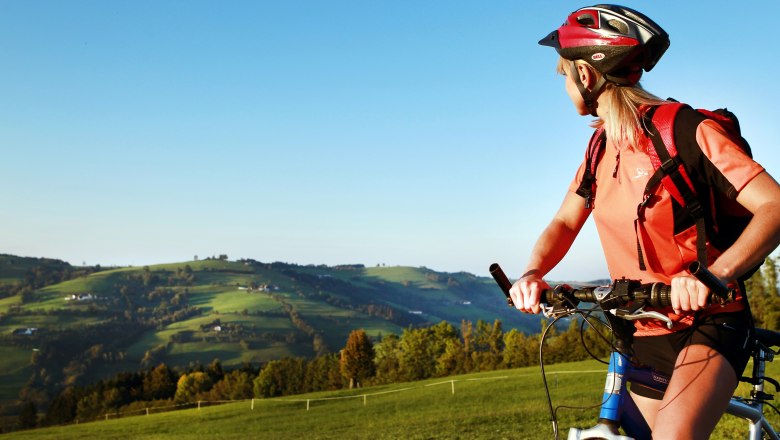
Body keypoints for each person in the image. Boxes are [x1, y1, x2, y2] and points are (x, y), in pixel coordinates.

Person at [509, 5, 780, 440]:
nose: (563, 84)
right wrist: (533, 273)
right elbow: (564, 221)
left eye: (563, 74)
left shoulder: (685, 131)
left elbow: (775, 207)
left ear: (586, 75)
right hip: (642, 326)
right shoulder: (599, 147)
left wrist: (714, 276)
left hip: (709, 322)